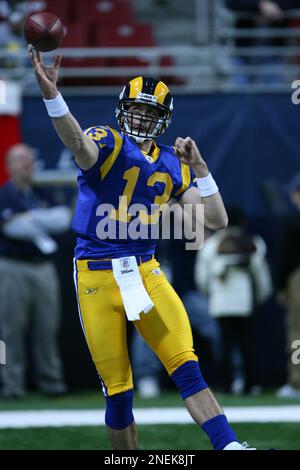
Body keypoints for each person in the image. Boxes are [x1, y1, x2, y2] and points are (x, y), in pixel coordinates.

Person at [29, 44, 255, 451]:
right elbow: (77, 143)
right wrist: (52, 95)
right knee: (118, 392)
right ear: (121, 109)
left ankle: (230, 447)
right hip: (96, 275)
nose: (142, 118)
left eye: (151, 113)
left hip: (144, 271)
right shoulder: (107, 141)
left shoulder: (174, 162)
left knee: (187, 367)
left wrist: (202, 171)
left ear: (163, 121)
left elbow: (215, 219)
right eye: (137, 109)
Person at [0, 143, 71, 398]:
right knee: (10, 330)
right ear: (9, 165)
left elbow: (64, 218)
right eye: (21, 160)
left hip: (43, 268)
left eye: (29, 159)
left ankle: (51, 383)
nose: (27, 165)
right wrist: (42, 219)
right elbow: (11, 228)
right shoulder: (4, 195)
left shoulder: (42, 193)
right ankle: (12, 385)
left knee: (47, 327)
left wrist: (30, 218)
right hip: (12, 268)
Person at [195, 206, 272, 395]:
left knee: (225, 346)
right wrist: (261, 296)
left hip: (220, 305)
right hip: (246, 303)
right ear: (243, 222)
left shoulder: (211, 245)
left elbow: (202, 279)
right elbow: (262, 276)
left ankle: (226, 386)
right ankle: (251, 385)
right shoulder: (253, 243)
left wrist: (211, 295)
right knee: (248, 345)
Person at [276, 174, 300, 398]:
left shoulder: (292, 222)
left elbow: (284, 258)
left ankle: (297, 381)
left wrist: (281, 286)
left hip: (296, 279)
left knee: (297, 333)